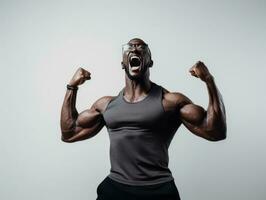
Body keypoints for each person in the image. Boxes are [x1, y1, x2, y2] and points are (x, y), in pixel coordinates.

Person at [60, 38, 227, 200]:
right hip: (115, 189)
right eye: (129, 47)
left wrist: (209, 80)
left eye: (141, 48)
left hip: (158, 190)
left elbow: (215, 131)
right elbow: (69, 133)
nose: (134, 49)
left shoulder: (169, 102)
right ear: (122, 64)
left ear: (150, 61)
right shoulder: (106, 105)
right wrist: (72, 87)